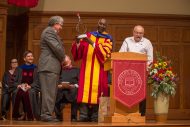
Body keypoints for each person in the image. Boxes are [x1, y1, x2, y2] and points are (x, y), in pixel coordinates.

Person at [71, 18, 113, 122]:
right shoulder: (89, 35)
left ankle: (95, 116)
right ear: (97, 24)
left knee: (98, 93)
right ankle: (83, 115)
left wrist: (92, 43)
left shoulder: (108, 39)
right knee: (84, 92)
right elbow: (79, 53)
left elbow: (105, 54)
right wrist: (77, 43)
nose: (102, 26)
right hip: (86, 69)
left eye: (104, 24)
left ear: (106, 26)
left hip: (100, 71)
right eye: (100, 23)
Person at [119, 25, 153, 116]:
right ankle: (126, 113)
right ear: (133, 32)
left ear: (143, 34)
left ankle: (142, 114)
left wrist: (144, 69)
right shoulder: (127, 40)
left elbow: (150, 59)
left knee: (141, 94)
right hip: (127, 72)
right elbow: (120, 55)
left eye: (140, 33)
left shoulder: (147, 42)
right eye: (137, 32)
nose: (138, 35)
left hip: (141, 72)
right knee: (127, 91)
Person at [38, 16, 65, 122]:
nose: (61, 28)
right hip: (48, 66)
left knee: (50, 92)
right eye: (60, 25)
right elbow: (57, 49)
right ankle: (46, 115)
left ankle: (47, 114)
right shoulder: (49, 32)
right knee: (48, 92)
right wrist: (64, 57)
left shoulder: (51, 33)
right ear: (55, 24)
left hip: (51, 67)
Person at [12, 50, 40, 120]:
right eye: (28, 56)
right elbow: (14, 80)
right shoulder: (19, 68)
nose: (31, 57)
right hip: (21, 87)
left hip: (32, 87)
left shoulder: (36, 68)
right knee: (16, 93)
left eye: (31, 56)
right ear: (24, 59)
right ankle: (20, 114)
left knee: (30, 93)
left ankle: (31, 115)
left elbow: (37, 81)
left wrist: (30, 86)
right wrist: (18, 85)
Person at [54, 55, 79, 122]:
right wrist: (58, 85)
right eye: (64, 62)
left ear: (70, 61)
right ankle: (58, 116)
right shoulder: (59, 71)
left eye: (67, 61)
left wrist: (74, 85)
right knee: (54, 91)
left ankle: (73, 116)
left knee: (75, 90)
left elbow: (80, 81)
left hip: (72, 90)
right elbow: (55, 81)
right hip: (60, 90)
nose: (66, 63)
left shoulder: (76, 70)